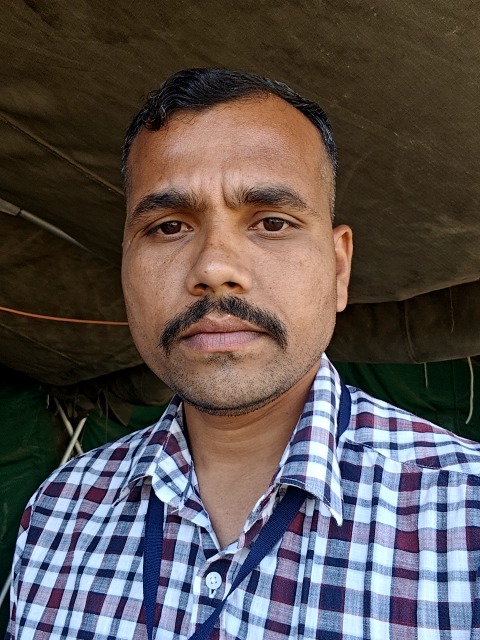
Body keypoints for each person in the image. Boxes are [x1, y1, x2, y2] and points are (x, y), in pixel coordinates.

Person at [6, 68, 480, 640]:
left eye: (271, 222)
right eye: (169, 227)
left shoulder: (465, 511)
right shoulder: (59, 511)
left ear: (338, 268)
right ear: (125, 265)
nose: (213, 268)